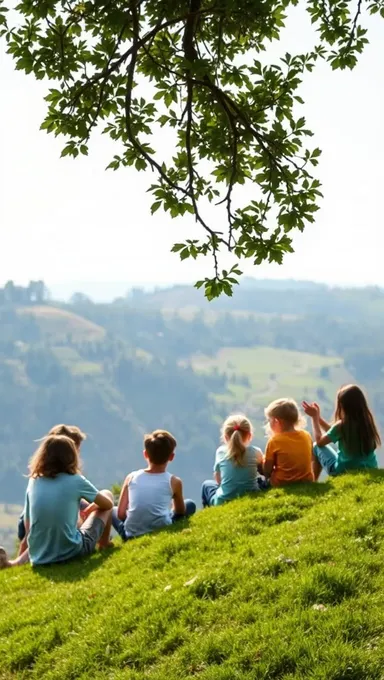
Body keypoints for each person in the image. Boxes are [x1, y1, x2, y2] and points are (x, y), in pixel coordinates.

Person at [0, 435, 113, 568]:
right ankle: (104, 545)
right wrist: (91, 508)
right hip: (72, 552)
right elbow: (108, 505)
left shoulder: (34, 481)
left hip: (39, 557)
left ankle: (15, 563)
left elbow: (29, 527)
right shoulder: (76, 480)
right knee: (107, 494)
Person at [17, 424, 87, 556]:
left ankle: (17, 562)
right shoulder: (70, 477)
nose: (77, 452)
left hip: (29, 521)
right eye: (75, 447)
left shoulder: (38, 476)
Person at [112, 429, 196, 540]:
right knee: (190, 504)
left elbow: (121, 514)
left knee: (112, 510)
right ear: (171, 457)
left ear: (145, 454)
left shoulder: (131, 477)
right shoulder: (174, 482)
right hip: (163, 527)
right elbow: (180, 511)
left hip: (131, 535)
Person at [303, 384, 381, 480]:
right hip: (369, 468)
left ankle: (313, 482)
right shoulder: (366, 422)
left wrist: (314, 418)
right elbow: (334, 433)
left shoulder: (342, 425)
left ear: (343, 406)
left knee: (315, 447)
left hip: (343, 470)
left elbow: (320, 442)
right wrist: (319, 419)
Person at [201, 414, 264, 507]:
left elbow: (218, 480)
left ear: (225, 437)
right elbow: (263, 470)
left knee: (207, 485)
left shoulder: (221, 452)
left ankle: (209, 510)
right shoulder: (256, 452)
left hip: (222, 501)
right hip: (251, 494)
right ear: (250, 436)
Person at [263, 398, 314, 486]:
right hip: (306, 481)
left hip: (281, 483)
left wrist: (262, 463)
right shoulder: (306, 435)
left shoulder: (274, 441)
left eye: (269, 420)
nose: (268, 423)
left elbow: (267, 471)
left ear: (277, 421)